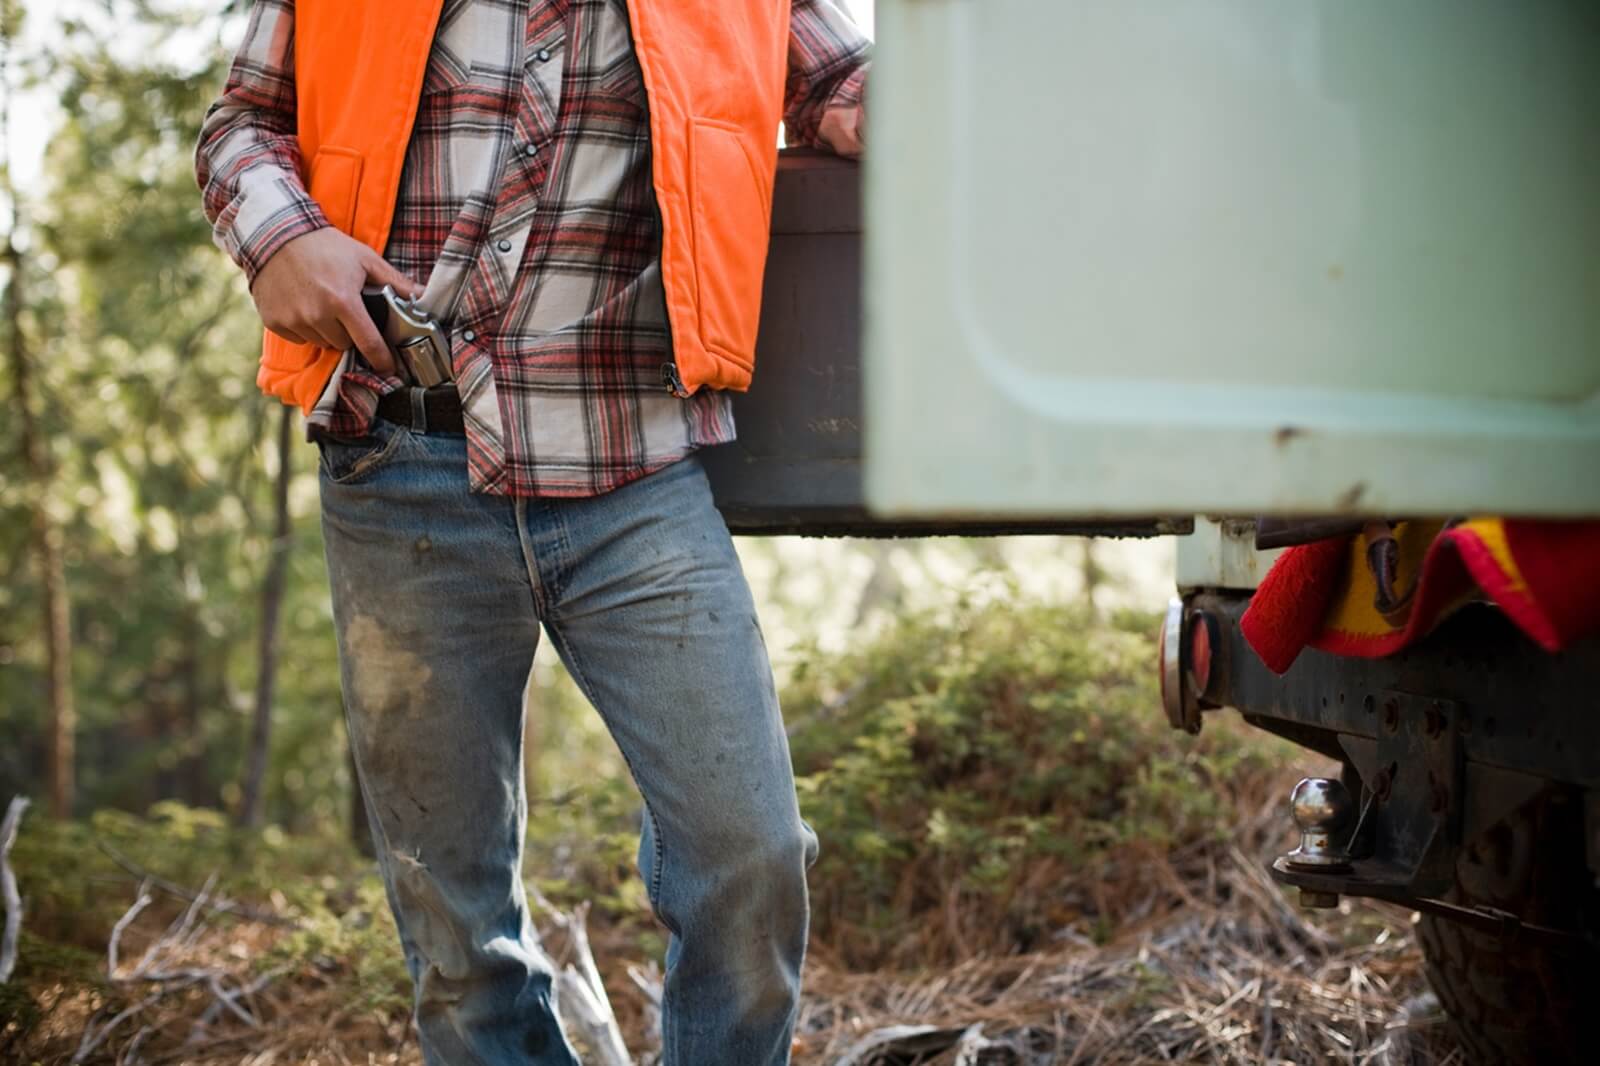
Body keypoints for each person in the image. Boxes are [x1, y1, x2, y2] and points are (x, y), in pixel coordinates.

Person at [195, 1, 869, 1062]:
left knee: (750, 858)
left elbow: (841, 85)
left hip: (635, 467)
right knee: (460, 944)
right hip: (402, 461)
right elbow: (241, 123)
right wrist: (283, 236)